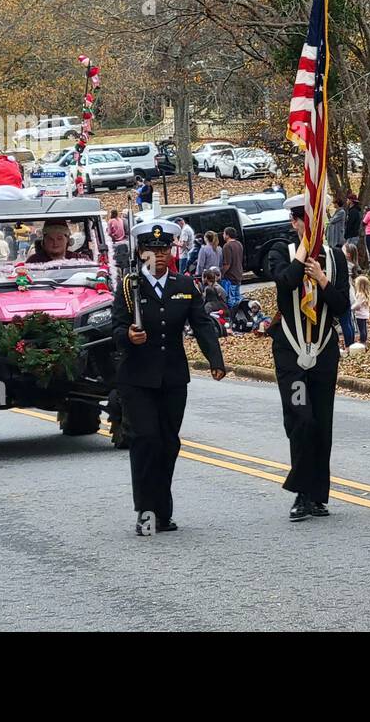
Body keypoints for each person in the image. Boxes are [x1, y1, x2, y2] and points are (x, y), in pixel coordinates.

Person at [113, 220, 226, 536]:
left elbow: (202, 325)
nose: (159, 255)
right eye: (152, 249)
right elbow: (114, 329)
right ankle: (146, 511)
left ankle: (163, 510)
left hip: (173, 378)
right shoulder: (128, 286)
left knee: (168, 443)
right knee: (146, 440)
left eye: (164, 249)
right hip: (137, 380)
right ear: (141, 252)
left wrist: (215, 360)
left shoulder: (184, 286)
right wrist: (127, 336)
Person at [264, 195, 349, 521]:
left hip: (324, 350)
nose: (313, 228)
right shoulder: (279, 251)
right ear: (295, 222)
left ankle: (317, 495)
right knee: (302, 418)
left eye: (318, 222)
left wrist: (323, 278)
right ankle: (301, 492)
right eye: (306, 221)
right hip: (292, 352)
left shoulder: (336, 258)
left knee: (322, 424)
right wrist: (303, 257)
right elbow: (285, 281)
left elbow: (341, 306)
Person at [219, 226, 243, 309]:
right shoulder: (239, 244)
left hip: (230, 277)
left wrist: (221, 273)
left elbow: (227, 264)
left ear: (227, 235)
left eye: (224, 233)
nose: (223, 235)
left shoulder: (227, 246)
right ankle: (239, 315)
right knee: (237, 298)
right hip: (238, 274)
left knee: (230, 299)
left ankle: (232, 316)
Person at [351, 274, 370, 345]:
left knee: (361, 329)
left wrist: (352, 308)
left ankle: (362, 341)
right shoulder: (365, 294)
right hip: (365, 314)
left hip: (360, 314)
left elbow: (358, 305)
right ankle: (364, 339)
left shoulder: (360, 294)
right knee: (364, 328)